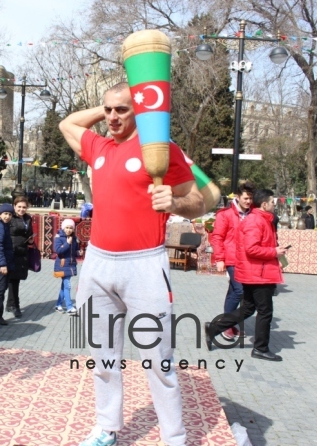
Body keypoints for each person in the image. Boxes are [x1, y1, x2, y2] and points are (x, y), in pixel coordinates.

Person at [59, 82, 205, 446]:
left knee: (158, 357)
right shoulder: (100, 146)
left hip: (145, 265)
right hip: (97, 263)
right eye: (108, 110)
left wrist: (173, 201)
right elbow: (67, 125)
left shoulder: (160, 150)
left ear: (138, 111)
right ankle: (107, 427)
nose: (111, 117)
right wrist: (107, 106)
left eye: (121, 110)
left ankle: (174, 437)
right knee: (102, 353)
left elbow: (199, 202)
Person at [206, 189, 287, 362]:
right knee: (264, 311)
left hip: (258, 270)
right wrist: (274, 252)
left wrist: (277, 253)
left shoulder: (262, 219)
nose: (275, 205)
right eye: (273, 202)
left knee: (248, 308)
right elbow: (251, 248)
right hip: (258, 272)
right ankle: (260, 348)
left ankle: (214, 328)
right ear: (264, 204)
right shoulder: (256, 220)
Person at [209, 181, 255, 342]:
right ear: (237, 196)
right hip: (232, 258)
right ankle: (225, 325)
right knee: (240, 291)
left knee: (233, 292)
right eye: (245, 198)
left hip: (247, 259)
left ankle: (227, 322)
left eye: (250, 198)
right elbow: (217, 237)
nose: (248, 201)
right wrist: (220, 258)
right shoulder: (226, 214)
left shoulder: (253, 213)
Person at [5, 196, 34, 319]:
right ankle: (14, 305)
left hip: (23, 252)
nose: (22, 209)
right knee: (13, 280)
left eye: (24, 207)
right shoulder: (10, 217)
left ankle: (10, 303)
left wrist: (31, 240)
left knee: (15, 280)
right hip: (12, 252)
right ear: (14, 207)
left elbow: (29, 233)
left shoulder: (28, 218)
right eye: (19, 207)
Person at [53, 218, 80, 315]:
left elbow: (75, 251)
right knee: (67, 285)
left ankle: (58, 304)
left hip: (71, 265)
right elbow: (58, 251)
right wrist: (67, 243)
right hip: (62, 264)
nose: (68, 230)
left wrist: (78, 252)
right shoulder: (59, 238)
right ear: (63, 228)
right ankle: (69, 307)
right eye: (67, 228)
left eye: (71, 228)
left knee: (64, 286)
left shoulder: (75, 239)